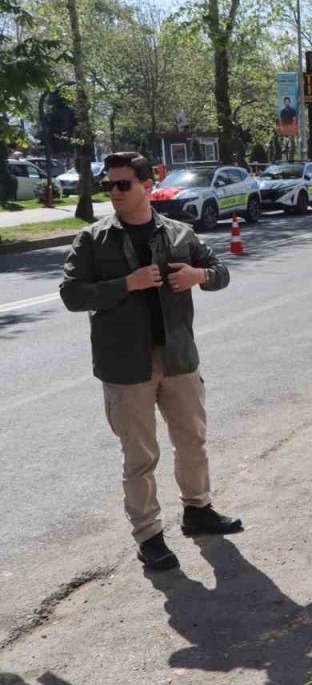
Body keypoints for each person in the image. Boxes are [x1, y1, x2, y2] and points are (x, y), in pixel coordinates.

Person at [59, 151, 241, 573]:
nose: (114, 192)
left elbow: (220, 270)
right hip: (126, 367)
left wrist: (199, 276)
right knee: (140, 456)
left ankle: (198, 511)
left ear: (148, 184)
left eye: (123, 184)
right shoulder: (93, 239)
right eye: (109, 185)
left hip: (178, 358)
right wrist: (128, 283)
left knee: (192, 441)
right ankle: (149, 536)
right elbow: (71, 294)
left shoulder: (179, 233)